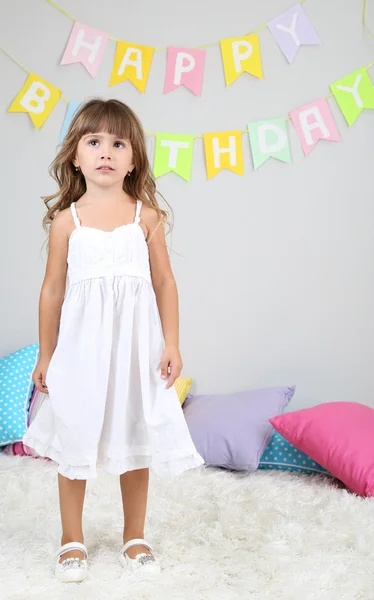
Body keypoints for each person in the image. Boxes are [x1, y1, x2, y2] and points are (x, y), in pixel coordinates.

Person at [22, 98, 204, 583]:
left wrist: (171, 343)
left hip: (134, 351)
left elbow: (165, 283)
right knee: (74, 437)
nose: (106, 151)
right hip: (81, 351)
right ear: (76, 157)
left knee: (135, 435)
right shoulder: (68, 223)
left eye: (118, 143)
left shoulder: (146, 219)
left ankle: (135, 534)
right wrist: (46, 352)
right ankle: (71, 538)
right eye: (94, 141)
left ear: (134, 158)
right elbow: (52, 290)